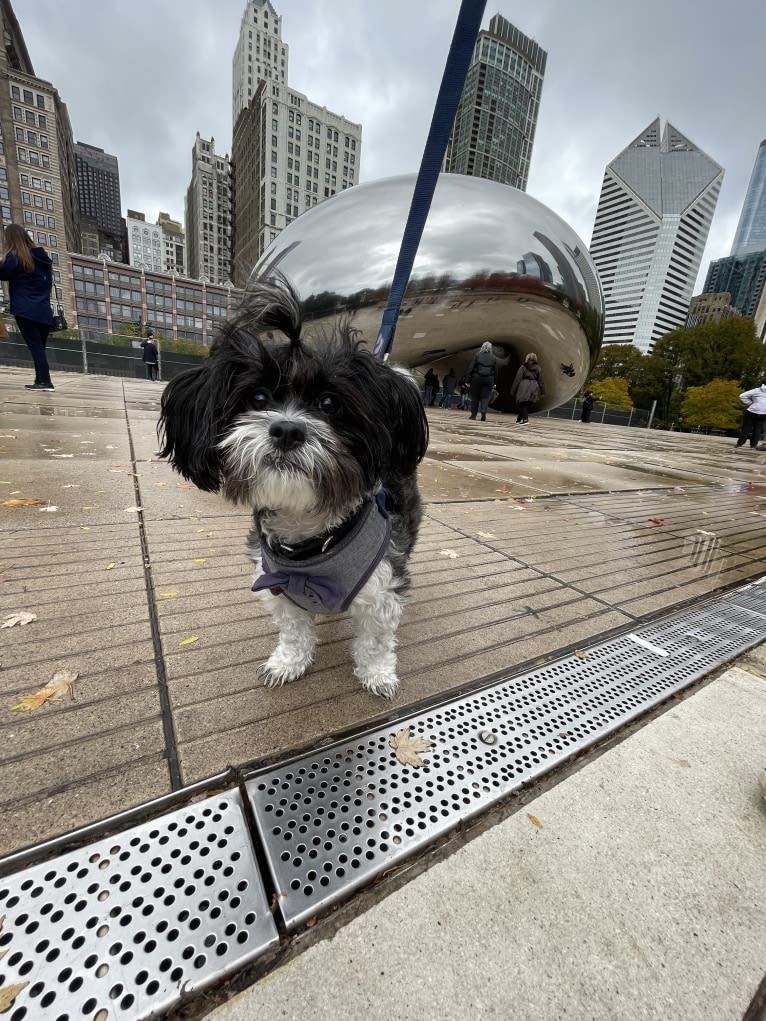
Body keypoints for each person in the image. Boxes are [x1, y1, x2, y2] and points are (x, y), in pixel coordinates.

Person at [0, 224, 54, 391]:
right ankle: (41, 380)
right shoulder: (43, 259)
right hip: (44, 311)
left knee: (36, 348)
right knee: (40, 348)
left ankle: (44, 382)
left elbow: (3, 274)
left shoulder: (15, 257)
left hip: (26, 310)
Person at [511, 352, 545, 426]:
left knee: (522, 403)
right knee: (526, 404)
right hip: (534, 386)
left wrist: (513, 390)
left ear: (527, 358)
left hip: (524, 385)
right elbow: (541, 380)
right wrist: (542, 391)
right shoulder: (538, 368)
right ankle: (519, 419)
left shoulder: (523, 367)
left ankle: (525, 419)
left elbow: (517, 379)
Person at [467, 342, 497, 421]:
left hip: (477, 378)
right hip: (488, 380)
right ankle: (483, 411)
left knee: (475, 397)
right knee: (485, 397)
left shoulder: (477, 355)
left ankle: (473, 415)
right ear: (490, 348)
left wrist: (468, 380)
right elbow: (496, 371)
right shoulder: (493, 357)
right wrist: (494, 382)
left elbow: (471, 368)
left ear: (482, 347)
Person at [735, 381, 766, 450]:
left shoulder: (757, 390)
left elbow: (742, 396)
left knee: (746, 428)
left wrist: (750, 403)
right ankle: (753, 446)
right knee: (758, 429)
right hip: (764, 413)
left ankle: (740, 444)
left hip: (752, 411)